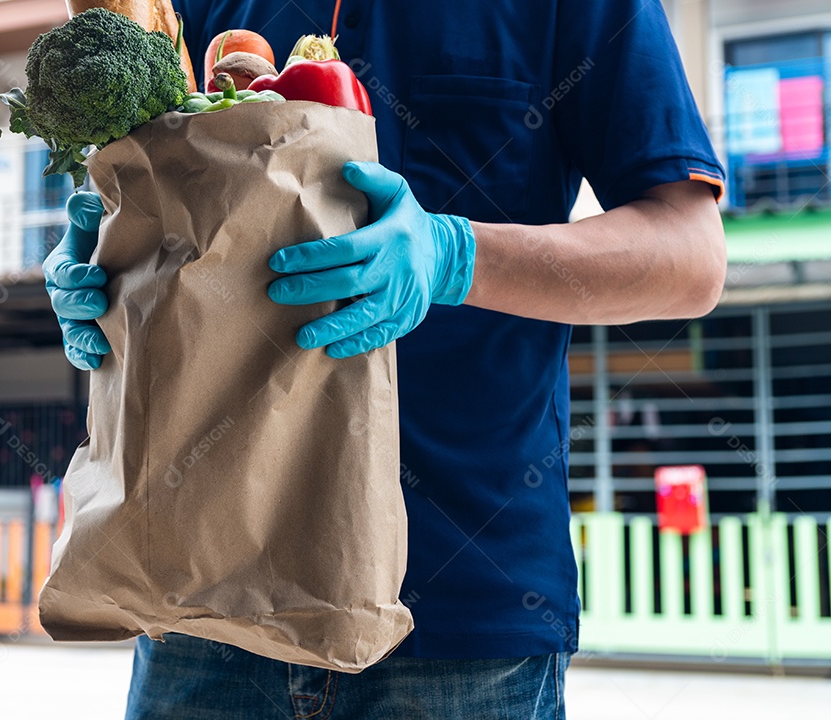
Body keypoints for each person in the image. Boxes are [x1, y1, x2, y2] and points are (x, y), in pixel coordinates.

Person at [42, 1, 726, 717]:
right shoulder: (191, 10)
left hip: (465, 629)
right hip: (201, 596)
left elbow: (690, 255)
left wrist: (455, 255)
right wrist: (109, 268)